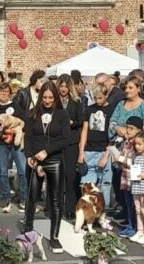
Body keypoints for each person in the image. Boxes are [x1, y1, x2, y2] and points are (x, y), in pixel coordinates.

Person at [22, 80, 70, 255]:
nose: (48, 101)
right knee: (32, 197)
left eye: (51, 97)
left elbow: (66, 139)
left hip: (55, 160)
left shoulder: (62, 114)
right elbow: (27, 137)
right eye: (45, 97)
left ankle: (54, 237)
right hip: (35, 160)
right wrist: (29, 155)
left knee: (56, 200)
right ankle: (28, 229)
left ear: (55, 97)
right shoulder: (32, 113)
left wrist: (47, 151)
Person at [0, 81, 27, 212]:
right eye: (1, 92)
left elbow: (23, 121)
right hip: (0, 143)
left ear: (10, 94)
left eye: (6, 92)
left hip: (15, 143)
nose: (4, 94)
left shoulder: (15, 105)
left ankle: (23, 199)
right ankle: (6, 199)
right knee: (3, 172)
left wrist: (16, 127)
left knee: (22, 170)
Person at [79, 81, 114, 209]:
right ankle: (88, 211)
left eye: (100, 98)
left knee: (105, 184)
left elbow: (113, 135)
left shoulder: (111, 110)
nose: (97, 101)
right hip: (89, 151)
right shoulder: (89, 109)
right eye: (95, 98)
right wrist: (81, 152)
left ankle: (103, 211)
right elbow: (84, 131)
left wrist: (106, 155)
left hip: (104, 150)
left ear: (106, 95)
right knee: (87, 184)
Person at [57, 74, 85, 215]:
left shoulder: (76, 102)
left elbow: (81, 121)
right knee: (57, 176)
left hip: (72, 141)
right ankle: (56, 207)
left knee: (70, 176)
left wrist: (72, 123)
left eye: (66, 86)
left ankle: (70, 207)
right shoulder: (54, 101)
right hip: (57, 142)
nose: (63, 89)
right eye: (61, 86)